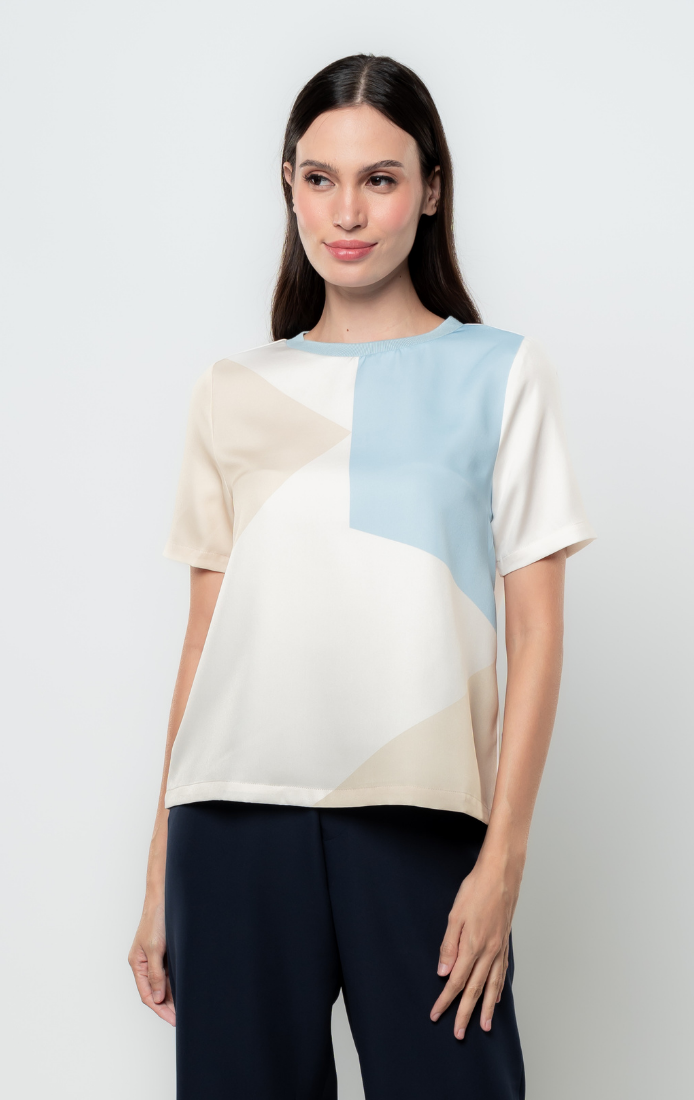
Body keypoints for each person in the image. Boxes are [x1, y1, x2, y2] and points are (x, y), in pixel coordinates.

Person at [129, 53, 595, 1100]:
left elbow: (538, 630)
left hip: (421, 818)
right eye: (320, 178)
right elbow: (203, 642)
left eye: (380, 179)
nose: (347, 212)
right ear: (289, 186)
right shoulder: (234, 389)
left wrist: (502, 861)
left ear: (430, 191)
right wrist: (158, 877)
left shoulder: (500, 372)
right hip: (231, 822)